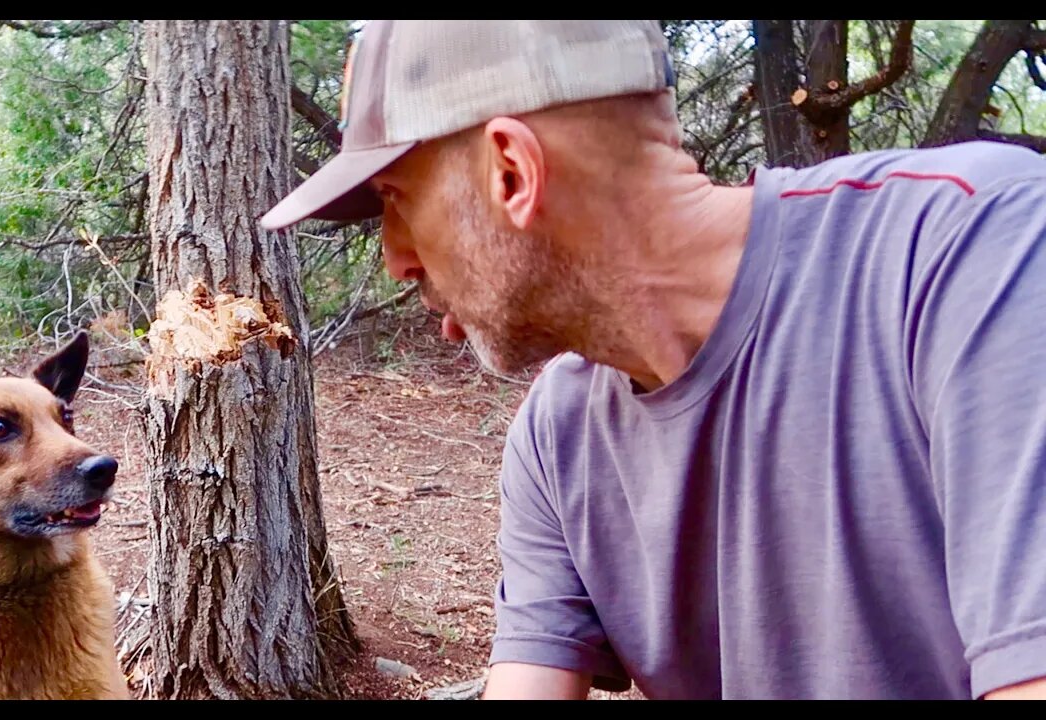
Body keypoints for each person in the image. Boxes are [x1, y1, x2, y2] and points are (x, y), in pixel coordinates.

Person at [260, 20, 1046, 700]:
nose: (396, 259)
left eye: (397, 199)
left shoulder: (979, 255)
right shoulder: (558, 436)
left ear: (513, 173)